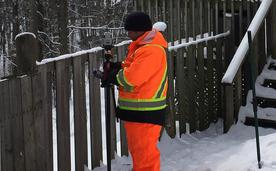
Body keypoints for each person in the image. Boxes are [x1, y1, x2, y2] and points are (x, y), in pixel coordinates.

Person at [98, 11, 168, 171]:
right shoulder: (142, 47)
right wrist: (118, 66)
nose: (128, 33)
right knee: (139, 154)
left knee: (145, 158)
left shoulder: (151, 50)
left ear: (139, 30)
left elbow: (132, 77)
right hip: (138, 112)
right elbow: (133, 66)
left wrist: (114, 77)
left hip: (145, 113)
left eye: (130, 30)